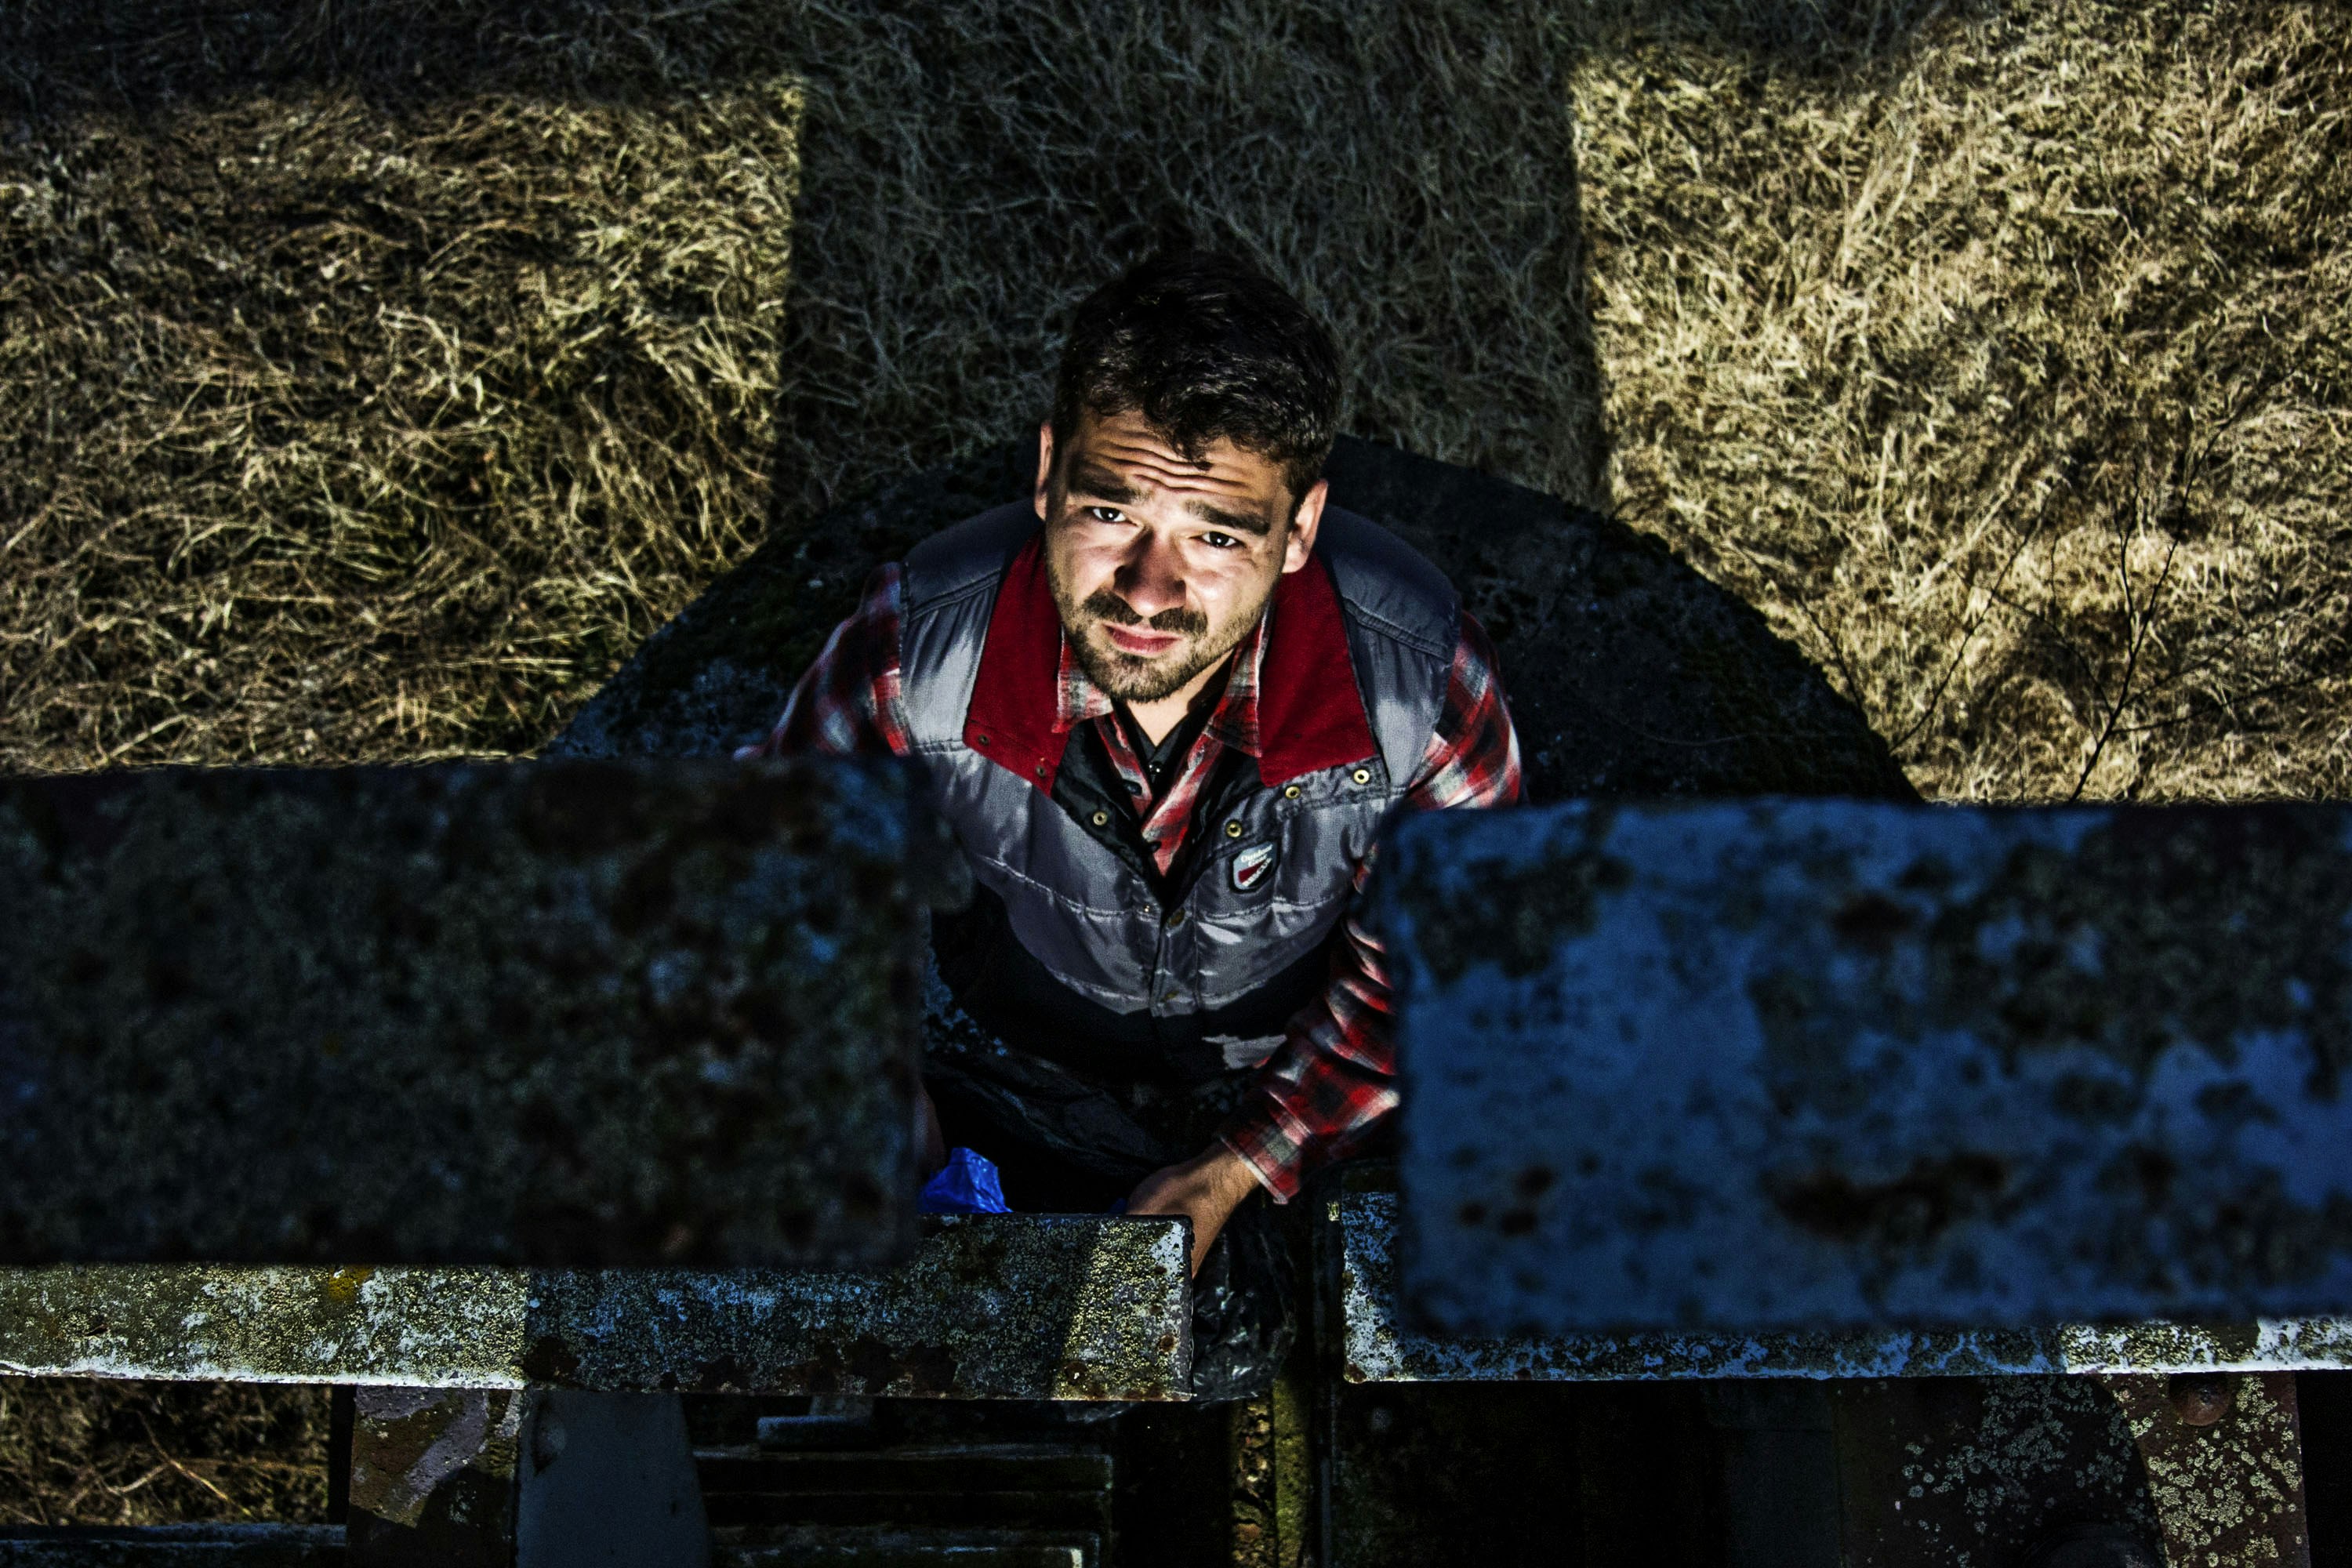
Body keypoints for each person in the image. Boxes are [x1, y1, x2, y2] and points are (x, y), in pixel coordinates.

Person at [744, 249, 1520, 1397]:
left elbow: (1441, 973)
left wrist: (1235, 1169)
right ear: (1049, 472)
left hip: (1277, 1040)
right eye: (1113, 509)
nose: (1150, 591)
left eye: (1217, 534)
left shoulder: (1424, 693)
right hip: (1024, 1028)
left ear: (1301, 526)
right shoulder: (913, 655)